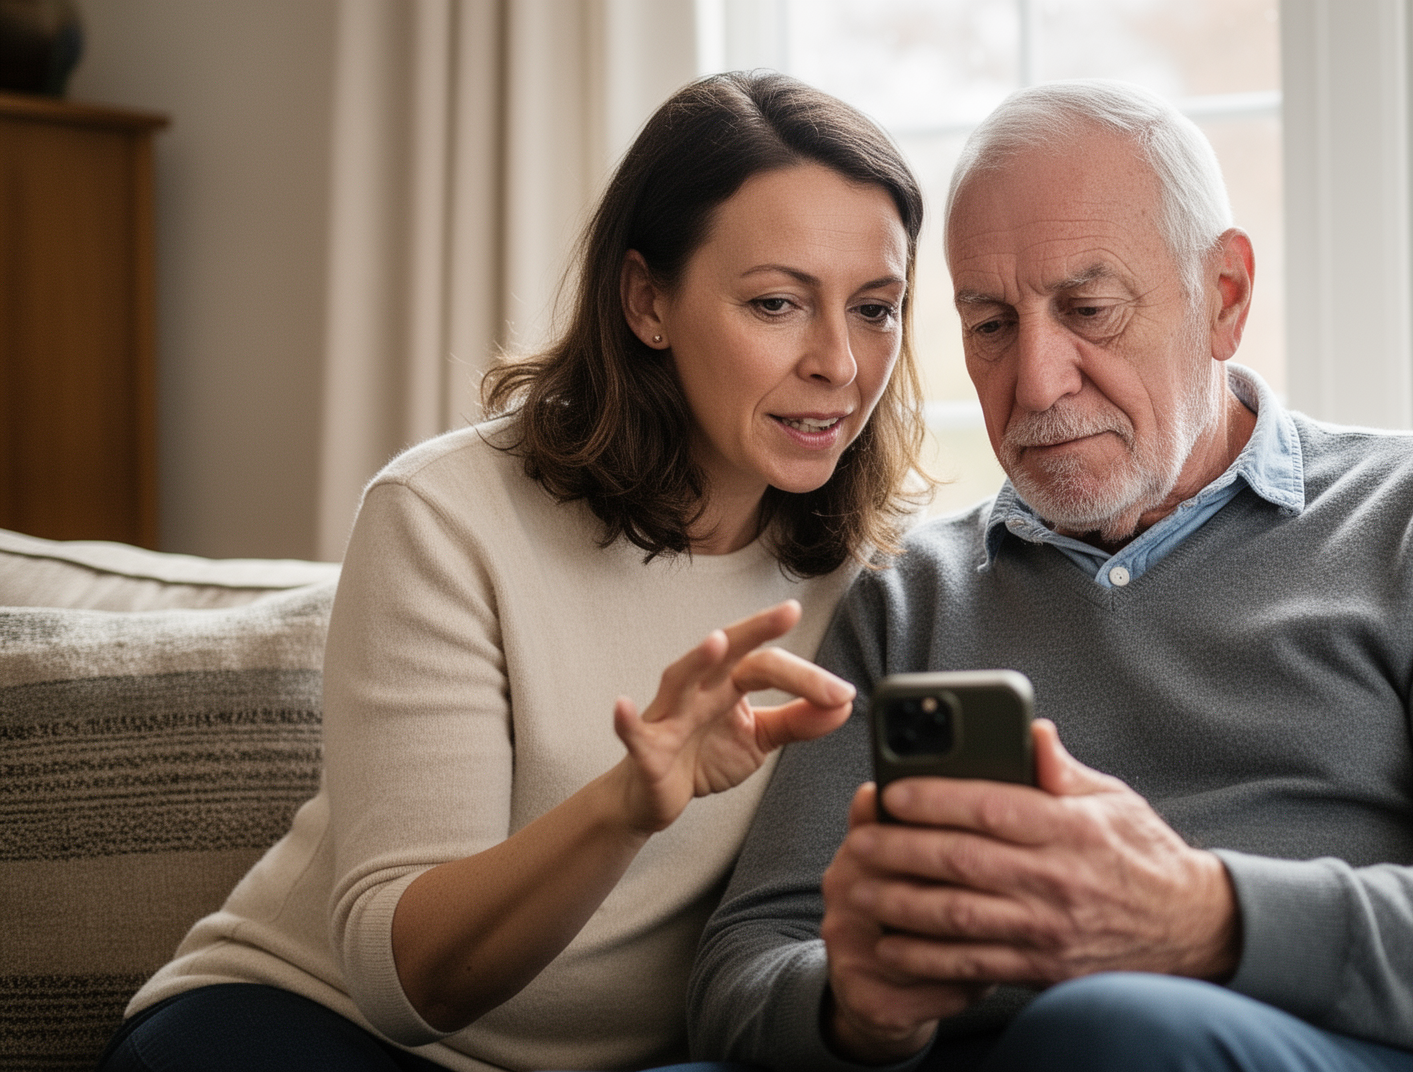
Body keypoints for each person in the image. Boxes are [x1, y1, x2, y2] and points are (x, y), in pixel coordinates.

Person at [688, 79, 1413, 1072]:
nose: (1035, 382)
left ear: (1225, 298)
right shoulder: (909, 594)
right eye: (989, 325)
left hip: (1306, 1047)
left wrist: (1204, 917)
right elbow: (743, 963)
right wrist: (857, 1009)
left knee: (1116, 1031)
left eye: (1090, 308)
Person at [98, 71, 929, 1072]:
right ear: (646, 301)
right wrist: (628, 802)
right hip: (314, 1026)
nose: (840, 362)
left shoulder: (882, 579)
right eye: (776, 303)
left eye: (876, 309)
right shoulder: (445, 516)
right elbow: (404, 980)